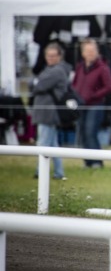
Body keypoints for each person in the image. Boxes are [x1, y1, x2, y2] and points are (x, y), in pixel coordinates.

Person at [31, 42, 71, 180]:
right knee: (53, 144)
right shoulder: (50, 69)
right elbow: (35, 84)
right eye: (48, 55)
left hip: (48, 112)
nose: (50, 58)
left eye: (53, 55)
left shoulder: (57, 71)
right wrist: (36, 83)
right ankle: (59, 172)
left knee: (43, 143)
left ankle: (40, 172)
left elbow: (38, 86)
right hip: (46, 111)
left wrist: (36, 82)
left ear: (60, 56)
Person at [73, 38, 111, 168]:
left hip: (95, 105)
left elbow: (109, 86)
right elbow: (74, 83)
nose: (90, 53)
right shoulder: (80, 67)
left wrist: (93, 95)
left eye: (92, 50)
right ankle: (88, 161)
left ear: (97, 51)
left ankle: (97, 161)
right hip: (81, 104)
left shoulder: (103, 67)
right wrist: (75, 96)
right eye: (88, 51)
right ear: (83, 53)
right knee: (82, 133)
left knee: (90, 132)